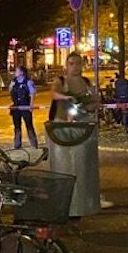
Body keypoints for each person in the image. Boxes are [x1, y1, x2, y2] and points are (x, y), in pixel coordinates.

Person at [49, 53, 113, 212]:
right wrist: (66, 98)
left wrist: (92, 105)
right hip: (62, 128)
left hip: (83, 127)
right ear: (66, 65)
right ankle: (63, 198)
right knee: (63, 164)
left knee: (85, 163)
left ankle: (88, 196)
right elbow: (53, 93)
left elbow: (94, 100)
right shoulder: (61, 81)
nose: (75, 67)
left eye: (78, 64)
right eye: (72, 63)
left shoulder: (85, 82)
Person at [9, 65, 39, 149]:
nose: (15, 72)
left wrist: (31, 105)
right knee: (17, 127)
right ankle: (17, 145)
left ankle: (34, 145)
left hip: (25, 106)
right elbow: (10, 90)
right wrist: (11, 86)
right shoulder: (14, 81)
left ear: (22, 72)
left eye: (17, 71)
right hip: (16, 107)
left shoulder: (28, 82)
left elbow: (32, 93)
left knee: (29, 126)